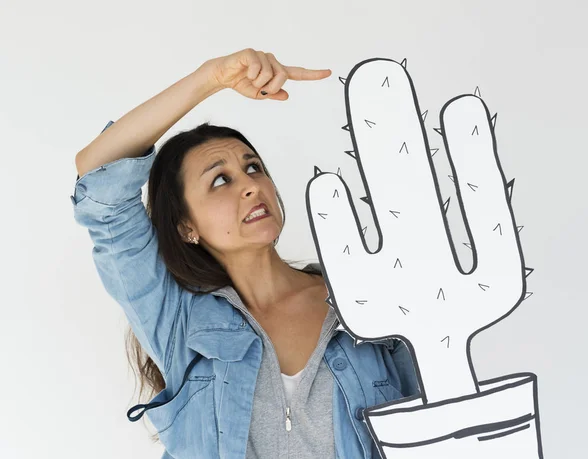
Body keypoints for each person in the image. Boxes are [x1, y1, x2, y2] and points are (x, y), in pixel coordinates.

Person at [71, 48, 419, 459]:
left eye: (253, 167)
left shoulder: (362, 302)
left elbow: (429, 426)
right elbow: (98, 178)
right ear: (187, 226)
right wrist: (211, 78)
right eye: (220, 180)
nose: (250, 185)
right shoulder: (179, 322)